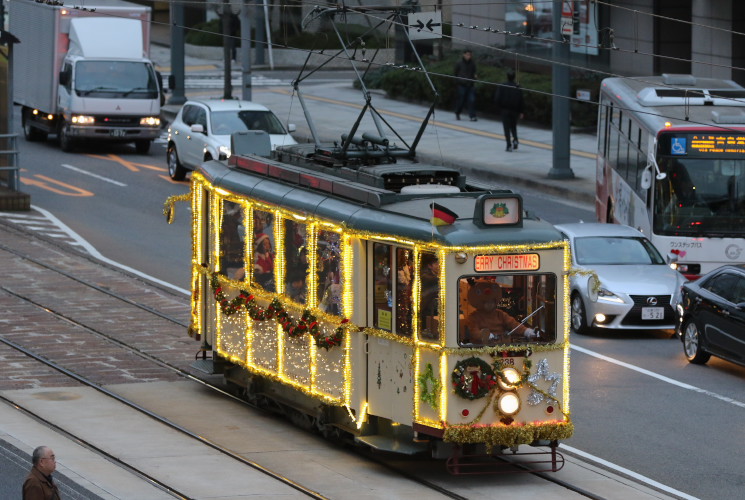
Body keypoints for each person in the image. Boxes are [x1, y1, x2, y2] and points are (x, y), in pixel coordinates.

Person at [462, 281, 537, 345]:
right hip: (481, 348)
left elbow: (513, 324)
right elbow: (473, 331)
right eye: (486, 302)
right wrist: (484, 336)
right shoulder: (473, 317)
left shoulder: (500, 314)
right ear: (480, 303)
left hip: (501, 347)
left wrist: (526, 331)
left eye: (492, 301)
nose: (490, 304)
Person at [494, 70, 525, 152]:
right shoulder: (517, 87)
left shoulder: (502, 86)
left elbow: (497, 99)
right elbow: (521, 100)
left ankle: (508, 145)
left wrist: (499, 107)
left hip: (505, 110)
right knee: (513, 126)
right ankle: (515, 140)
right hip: (515, 110)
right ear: (514, 77)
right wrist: (521, 111)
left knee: (506, 128)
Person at [454, 49, 478, 121]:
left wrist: (475, 77)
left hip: (470, 85)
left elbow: (474, 72)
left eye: (470, 55)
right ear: (464, 54)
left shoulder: (472, 63)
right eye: (467, 54)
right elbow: (455, 73)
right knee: (461, 101)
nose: (468, 56)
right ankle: (457, 113)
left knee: (472, 100)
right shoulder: (459, 63)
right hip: (461, 85)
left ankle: (472, 116)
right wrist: (457, 82)